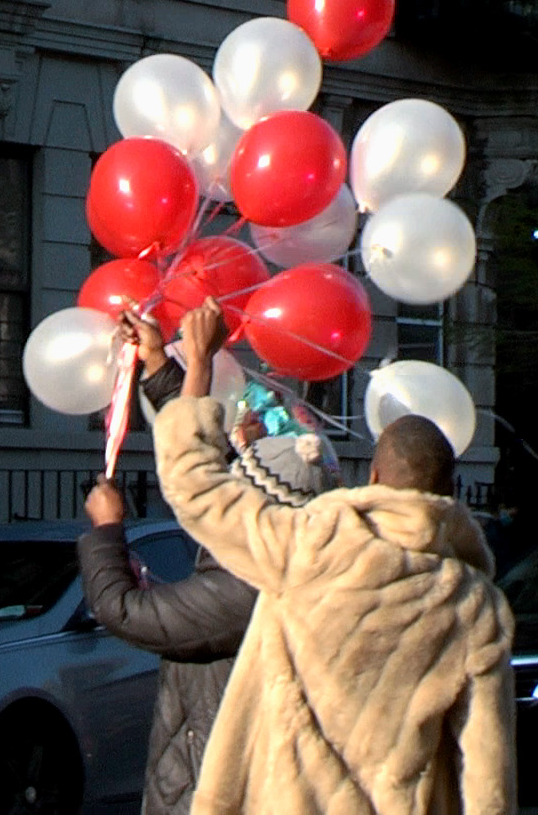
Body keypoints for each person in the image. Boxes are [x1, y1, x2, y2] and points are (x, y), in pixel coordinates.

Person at [152, 298, 517, 815]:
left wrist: (201, 363)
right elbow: (486, 772)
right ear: (449, 492)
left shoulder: (308, 548)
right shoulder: (473, 606)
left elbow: (195, 485)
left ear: (372, 476)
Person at [77, 307, 336, 815]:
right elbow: (204, 466)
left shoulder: (249, 584)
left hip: (218, 791)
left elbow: (122, 610)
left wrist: (106, 532)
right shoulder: (315, 555)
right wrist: (158, 363)